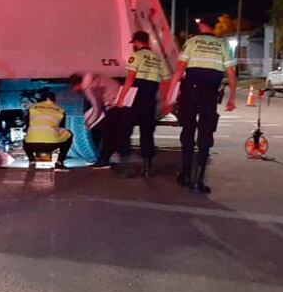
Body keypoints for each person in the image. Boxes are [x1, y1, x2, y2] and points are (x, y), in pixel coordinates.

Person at [168, 20, 237, 194]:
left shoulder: (191, 42)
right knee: (205, 133)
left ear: (202, 26)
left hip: (191, 91)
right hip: (210, 93)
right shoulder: (223, 45)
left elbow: (179, 69)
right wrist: (232, 98)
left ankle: (185, 174)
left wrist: (170, 92)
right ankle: (198, 181)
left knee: (188, 131)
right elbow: (230, 73)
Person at [116, 31, 170, 177]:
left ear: (138, 42)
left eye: (134, 43)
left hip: (135, 96)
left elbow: (130, 79)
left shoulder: (136, 56)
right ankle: (147, 167)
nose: (133, 45)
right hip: (150, 97)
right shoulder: (158, 59)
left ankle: (125, 166)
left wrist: (121, 97)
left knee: (125, 129)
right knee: (147, 131)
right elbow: (166, 80)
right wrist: (163, 99)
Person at [69, 72, 133, 170]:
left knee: (107, 134)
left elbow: (97, 108)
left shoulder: (90, 87)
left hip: (116, 107)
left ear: (77, 85)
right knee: (118, 134)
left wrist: (88, 124)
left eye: (72, 88)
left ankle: (104, 160)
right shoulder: (98, 79)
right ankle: (117, 159)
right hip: (125, 106)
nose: (73, 91)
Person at [23, 91, 73, 171]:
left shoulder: (32, 108)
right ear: (54, 100)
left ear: (40, 99)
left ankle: (31, 161)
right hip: (52, 145)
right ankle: (59, 163)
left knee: (26, 137)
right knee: (69, 134)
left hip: (31, 144)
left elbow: (26, 127)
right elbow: (62, 127)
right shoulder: (60, 110)